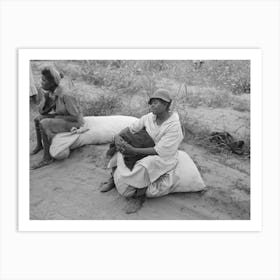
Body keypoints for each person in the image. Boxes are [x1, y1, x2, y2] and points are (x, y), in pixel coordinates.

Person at [101, 89, 184, 214]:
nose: (152, 105)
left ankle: (139, 196)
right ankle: (113, 178)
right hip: (145, 146)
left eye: (156, 103)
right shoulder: (149, 117)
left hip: (163, 156)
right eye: (151, 103)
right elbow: (132, 128)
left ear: (166, 105)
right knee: (118, 146)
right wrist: (118, 137)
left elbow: (159, 150)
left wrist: (134, 150)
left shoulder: (173, 126)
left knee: (147, 163)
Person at [30, 66, 84, 169]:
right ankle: (39, 146)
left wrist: (56, 118)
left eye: (44, 80)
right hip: (64, 117)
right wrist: (46, 99)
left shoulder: (66, 95)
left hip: (75, 122)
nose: (41, 82)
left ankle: (47, 158)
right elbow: (42, 111)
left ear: (52, 82)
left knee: (44, 122)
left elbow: (75, 117)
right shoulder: (52, 92)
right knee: (38, 119)